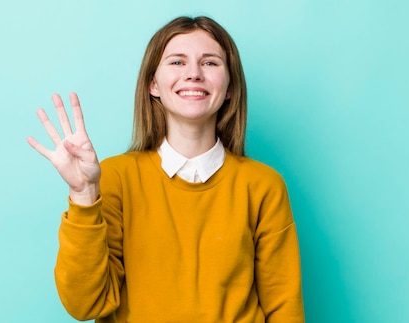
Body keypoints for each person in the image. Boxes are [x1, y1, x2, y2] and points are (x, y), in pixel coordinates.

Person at [27, 16, 305, 323]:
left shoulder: (263, 185)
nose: (194, 74)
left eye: (210, 63)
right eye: (177, 62)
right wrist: (83, 195)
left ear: (229, 88)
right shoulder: (115, 178)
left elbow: (284, 308)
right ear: (153, 84)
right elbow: (85, 305)